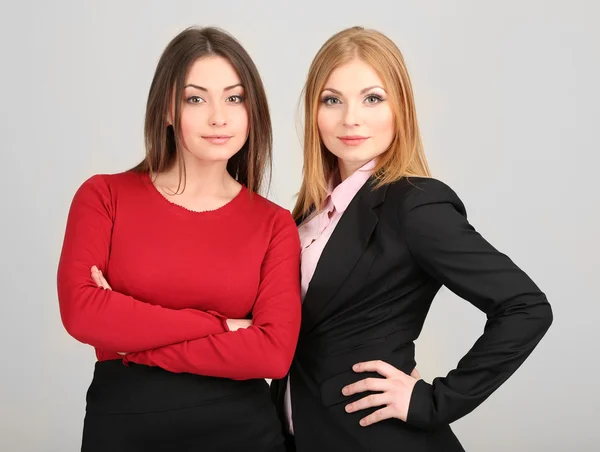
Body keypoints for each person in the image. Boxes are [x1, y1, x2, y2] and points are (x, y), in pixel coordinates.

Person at [270, 26, 553, 452]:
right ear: (313, 111)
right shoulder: (307, 215)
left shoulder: (414, 205)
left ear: (400, 107)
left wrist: (433, 402)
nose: (351, 118)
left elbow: (525, 307)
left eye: (373, 98)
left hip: (376, 440)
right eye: (332, 100)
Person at [57, 26, 301, 452]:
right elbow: (82, 315)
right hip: (125, 427)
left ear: (251, 110)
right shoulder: (103, 197)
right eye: (196, 98)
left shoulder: (274, 224)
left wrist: (133, 343)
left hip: (243, 433)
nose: (218, 117)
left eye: (234, 97)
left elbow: (272, 354)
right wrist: (222, 326)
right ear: (167, 110)